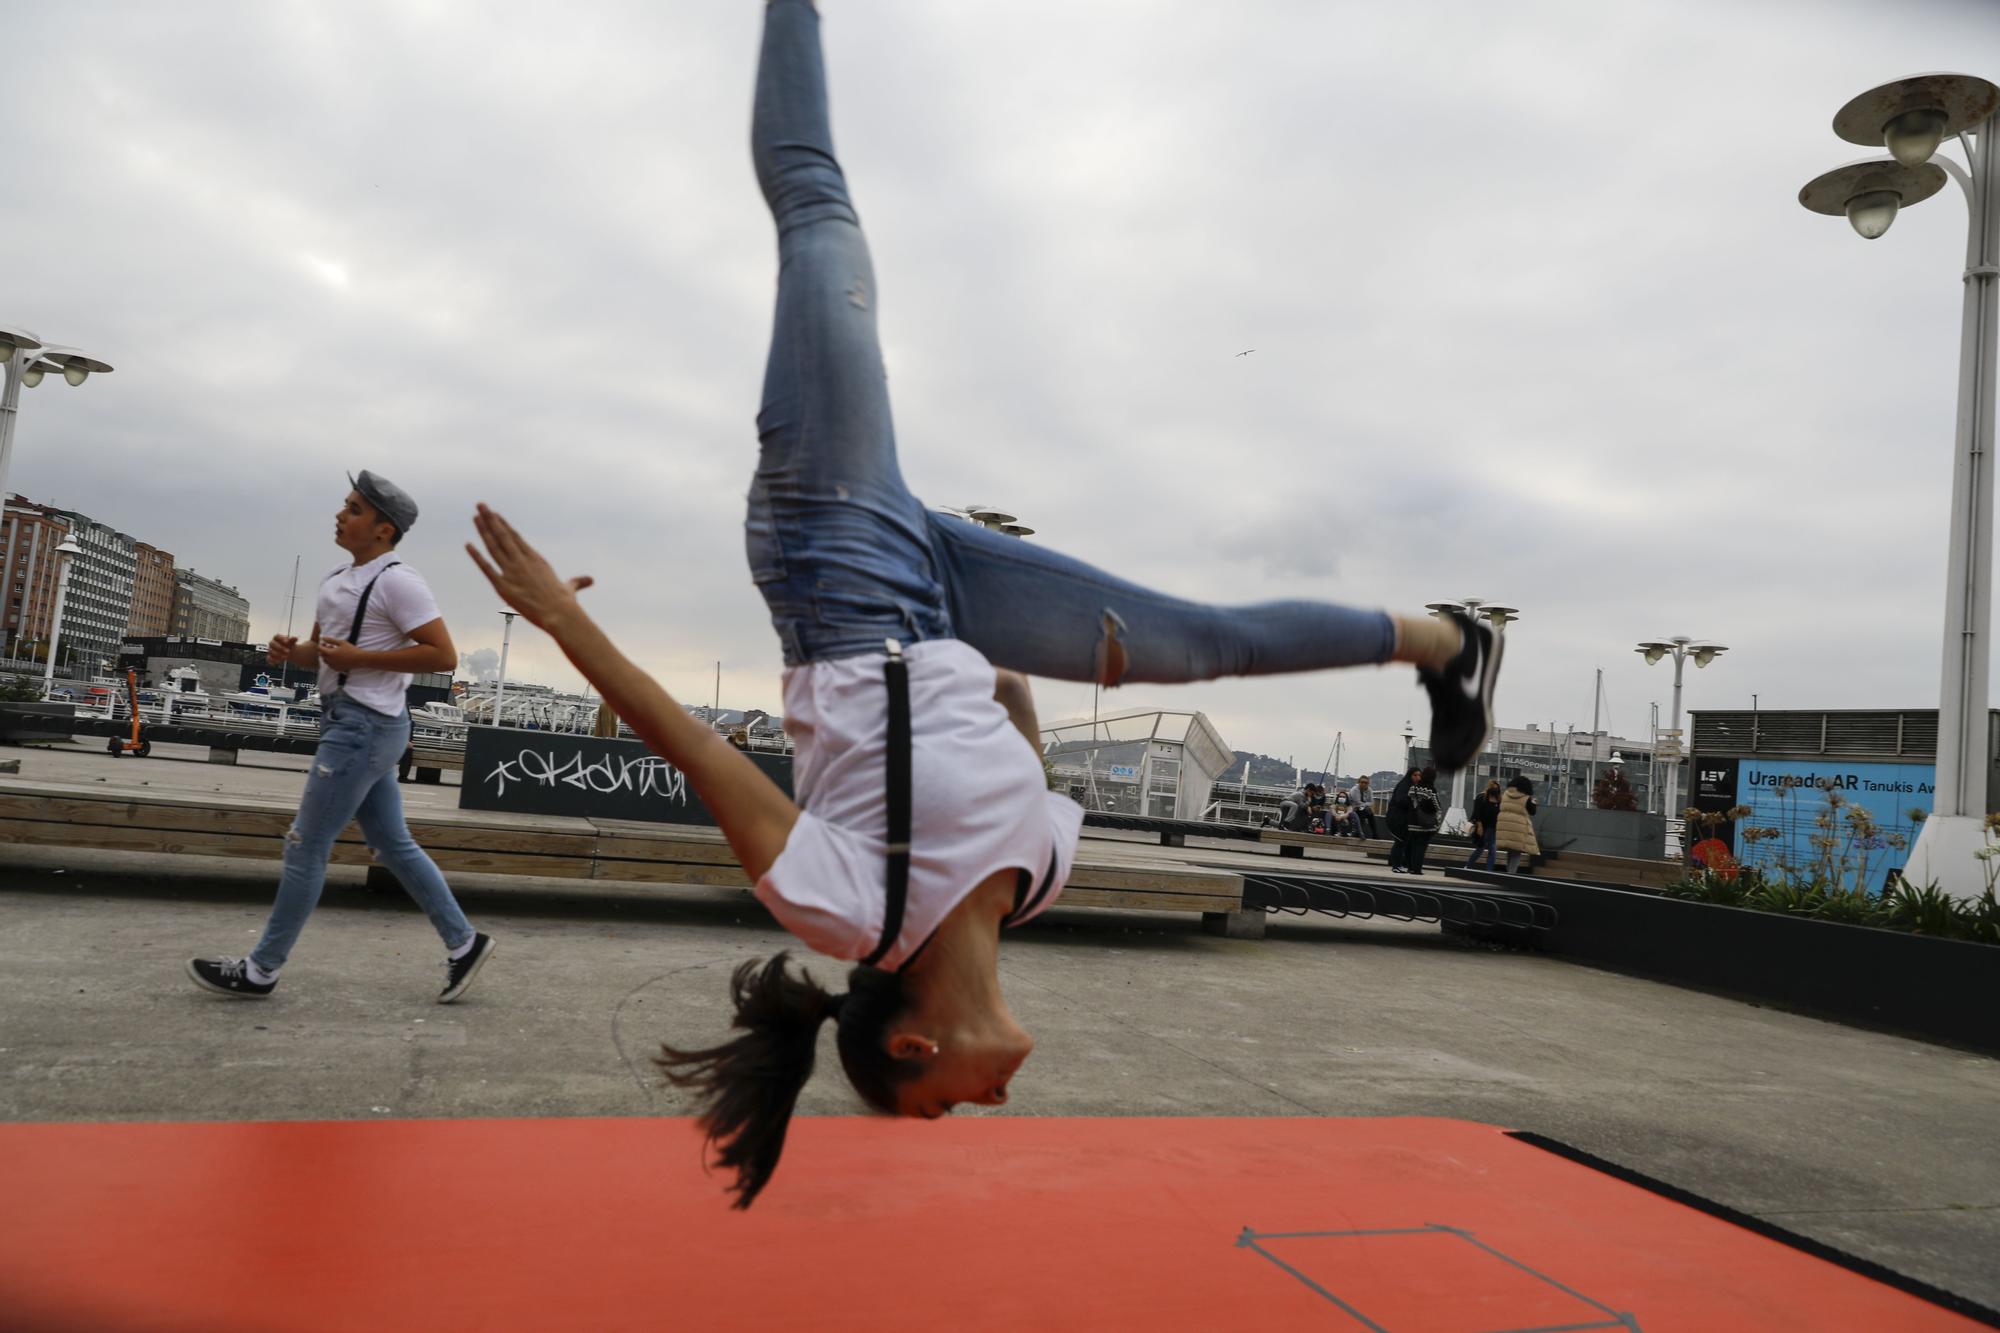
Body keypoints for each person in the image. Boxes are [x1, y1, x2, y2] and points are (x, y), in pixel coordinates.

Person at [465, 0, 1502, 1210]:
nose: (985, 1105)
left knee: (819, 212)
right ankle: (1439, 644)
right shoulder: (1045, 876)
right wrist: (1038, 663)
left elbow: (693, 748)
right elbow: (1006, 720)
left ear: (910, 1043)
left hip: (834, 559)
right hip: (948, 602)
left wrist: (559, 620)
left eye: (946, 1098)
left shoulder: (846, 911)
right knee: (1192, 643)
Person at [188, 473, 496, 1003]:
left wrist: (362, 660)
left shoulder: (399, 581)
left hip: (365, 725)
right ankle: (464, 942)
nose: (340, 514)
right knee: (392, 844)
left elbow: (442, 655)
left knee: (306, 846)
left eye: (353, 509)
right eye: (345, 505)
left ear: (383, 528)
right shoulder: (336, 578)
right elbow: (321, 651)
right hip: (347, 720)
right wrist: (293, 653)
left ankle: (261, 970)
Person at [1402, 765, 1443, 875]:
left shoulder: (1412, 788)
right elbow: (1436, 806)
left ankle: (1410, 867)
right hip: (1424, 824)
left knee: (1412, 846)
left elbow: (1407, 802)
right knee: (1421, 847)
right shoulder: (1430, 790)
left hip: (1412, 822)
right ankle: (1417, 869)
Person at [1497, 774, 1541, 873]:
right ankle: (1511, 874)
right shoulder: (1526, 798)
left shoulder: (1505, 794)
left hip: (1505, 826)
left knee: (1510, 851)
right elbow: (1532, 812)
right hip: (1519, 828)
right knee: (1516, 852)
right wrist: (1533, 803)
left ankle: (1509, 872)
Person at [1384, 766, 1419, 871]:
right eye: (1415, 775)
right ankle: (1396, 865)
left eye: (1419, 775)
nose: (1418, 778)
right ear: (1410, 775)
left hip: (1402, 818)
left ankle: (1400, 865)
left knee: (1403, 842)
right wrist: (1412, 803)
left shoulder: (1410, 786)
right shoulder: (1404, 786)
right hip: (1397, 818)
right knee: (1400, 842)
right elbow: (1400, 801)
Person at [1463, 778, 1502, 871]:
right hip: (1483, 827)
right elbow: (1477, 813)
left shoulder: (1499, 800)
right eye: (1493, 788)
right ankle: (1468, 866)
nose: (1495, 790)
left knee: (1492, 850)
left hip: (1494, 828)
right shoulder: (1481, 797)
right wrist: (1479, 826)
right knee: (1480, 848)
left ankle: (1489, 871)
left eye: (1497, 789)